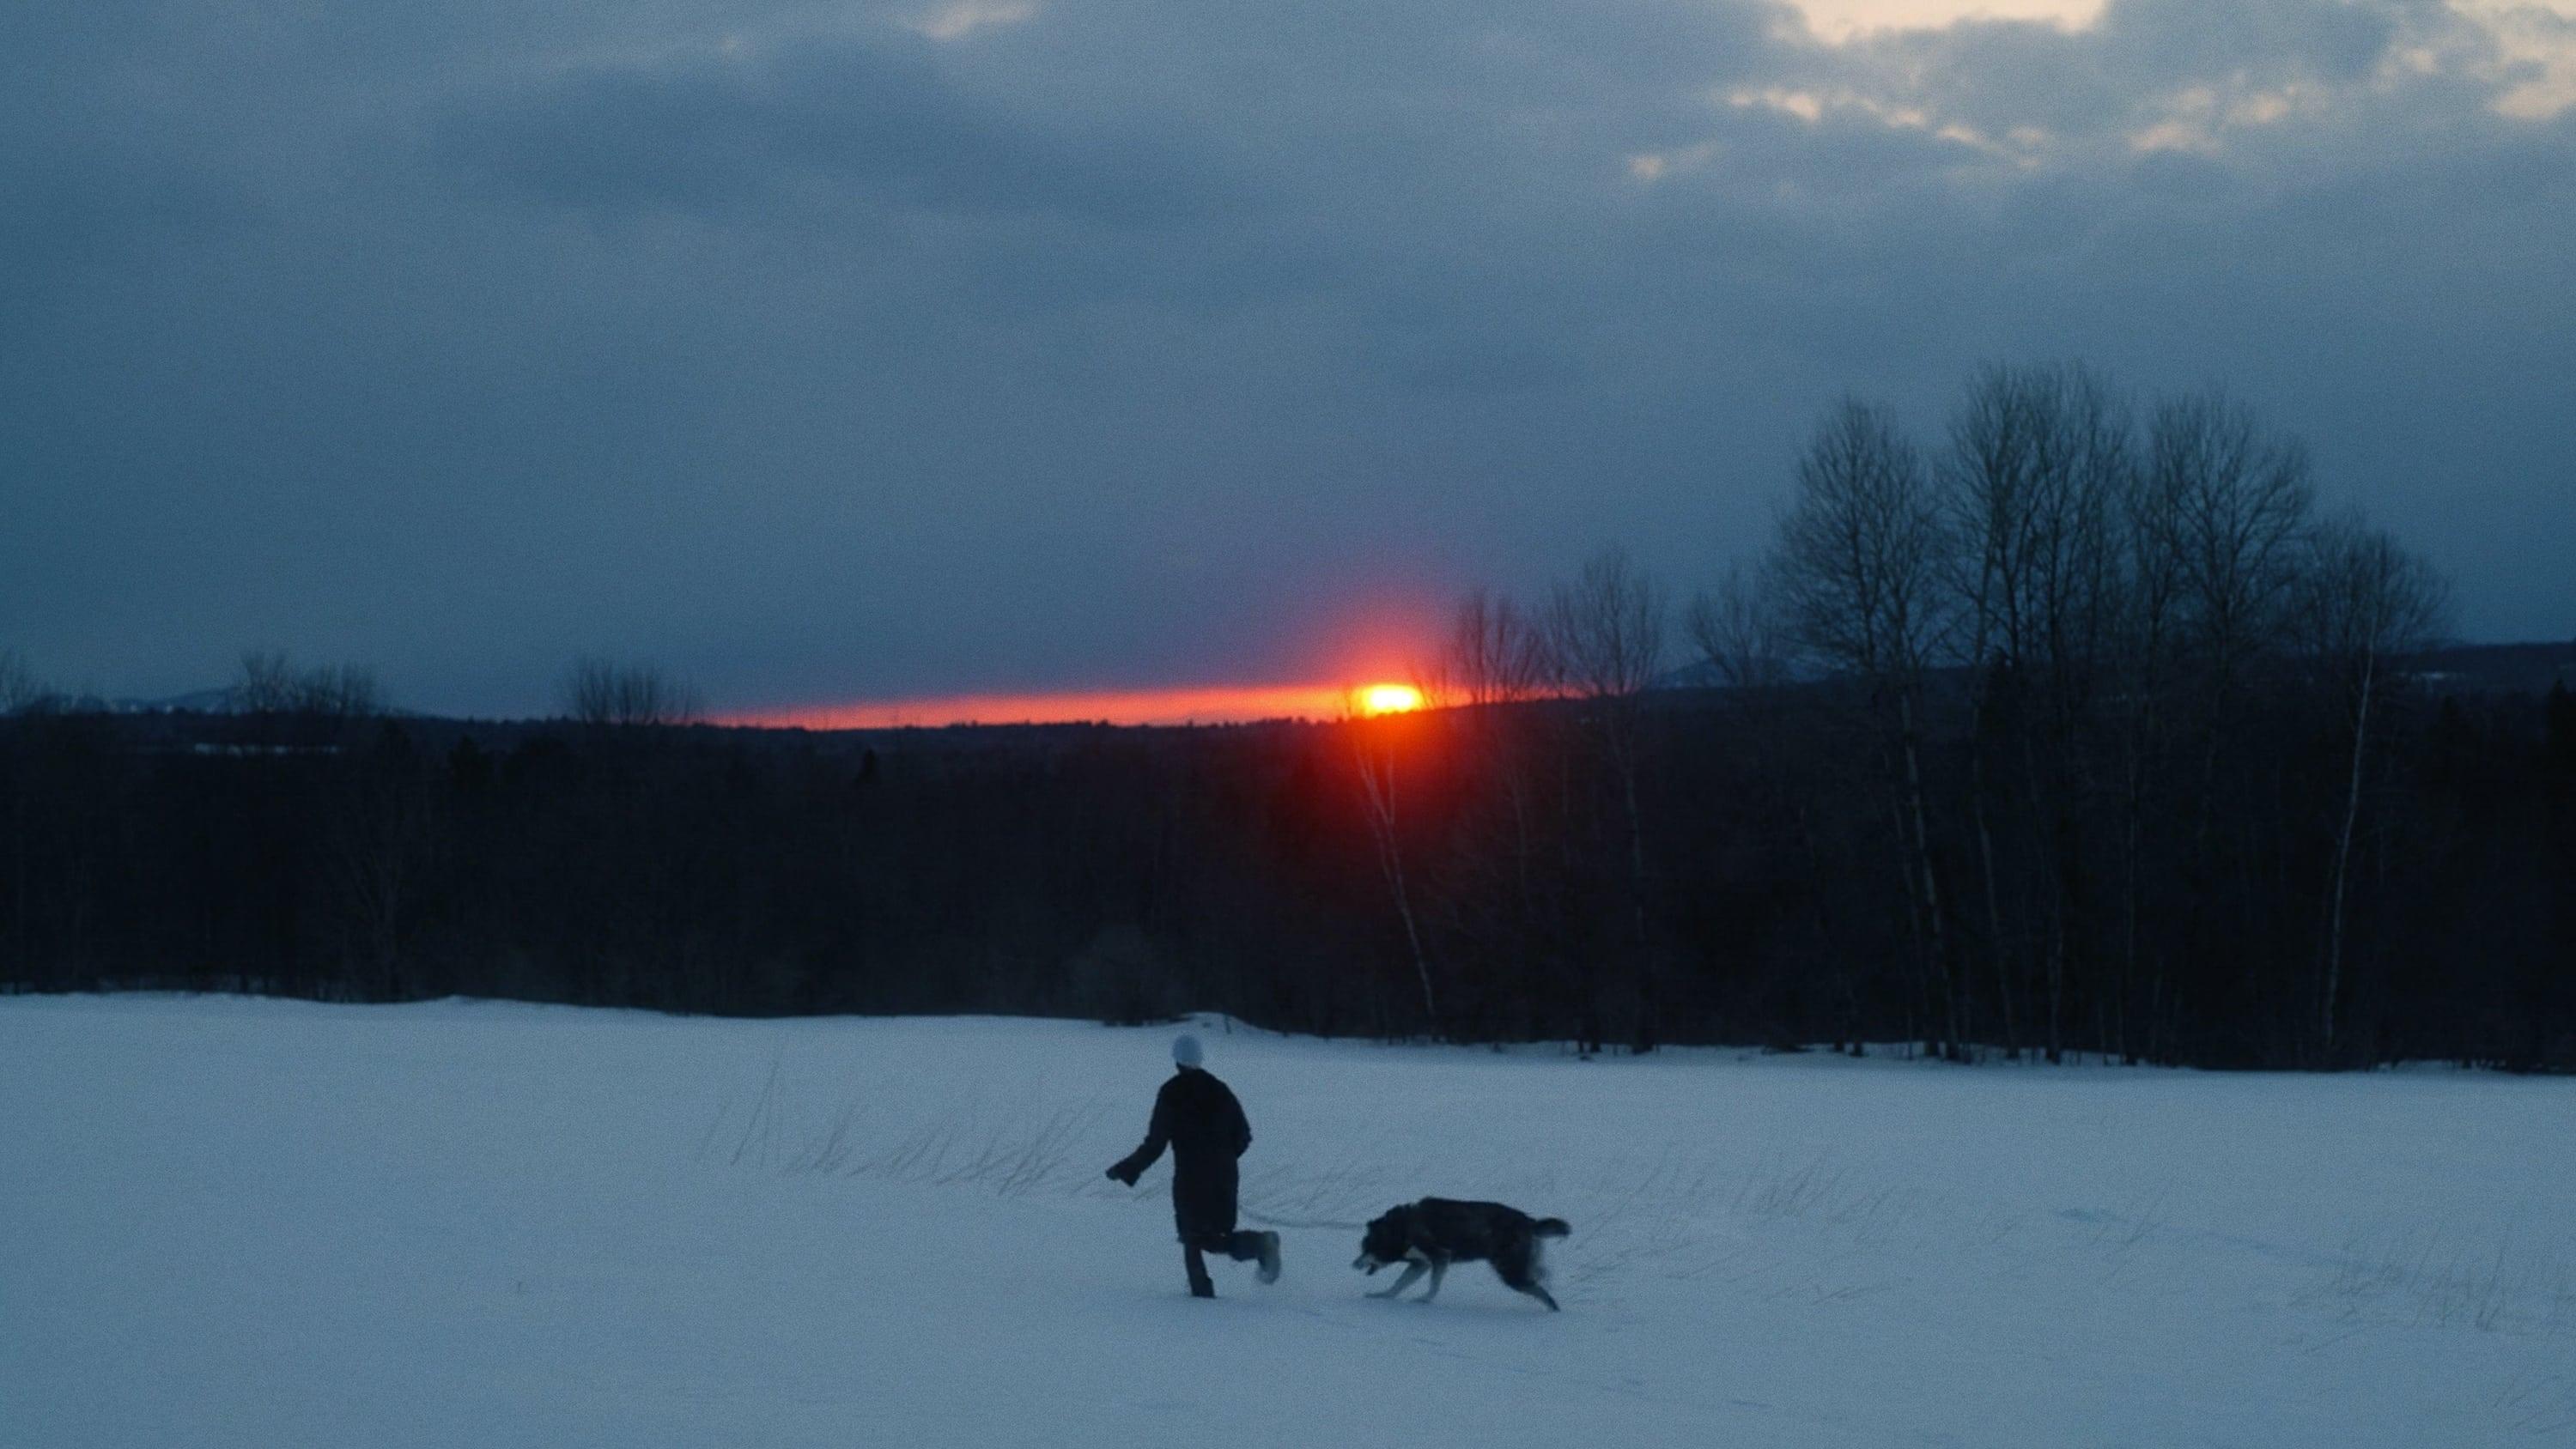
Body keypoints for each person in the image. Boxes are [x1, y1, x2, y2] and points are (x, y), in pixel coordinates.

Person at [1105, 1033, 1282, 1298]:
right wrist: (1223, 1159)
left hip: (1191, 1177)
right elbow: (1244, 1135)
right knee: (1217, 1236)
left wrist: (1127, 1168)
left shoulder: (1171, 1093)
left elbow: (1156, 1144)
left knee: (1192, 1236)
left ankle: (1202, 1298)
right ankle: (1260, 1244)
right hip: (1225, 1175)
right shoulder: (1221, 1090)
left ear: (1176, 1061)